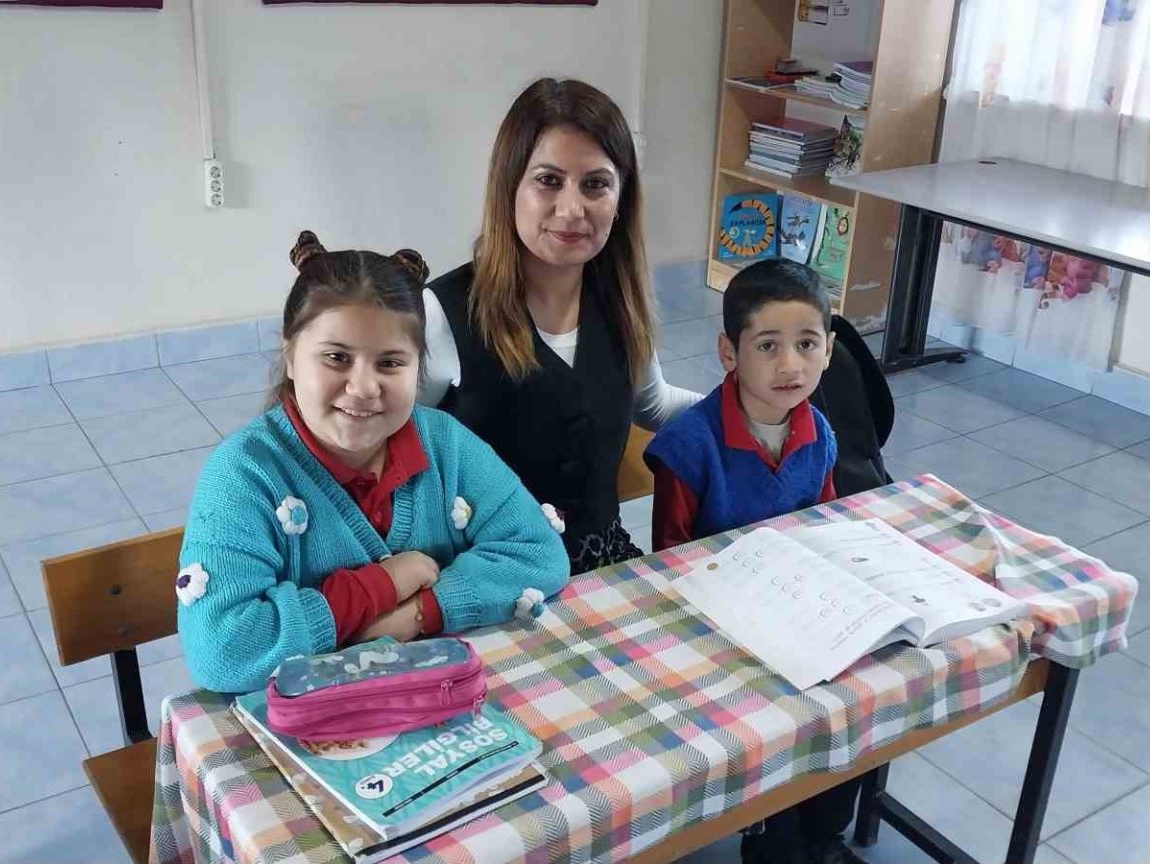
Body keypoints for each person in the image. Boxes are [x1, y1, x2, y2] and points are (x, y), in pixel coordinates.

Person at [177, 231, 570, 694]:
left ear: (418, 366)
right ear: (291, 356)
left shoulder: (445, 443)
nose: (363, 388)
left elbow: (539, 552)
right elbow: (223, 651)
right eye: (336, 357)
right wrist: (383, 583)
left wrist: (421, 612)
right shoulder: (245, 475)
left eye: (390, 363)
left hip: (443, 702)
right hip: (318, 726)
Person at [421, 77, 699, 573]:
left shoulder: (621, 302)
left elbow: (653, 404)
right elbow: (387, 448)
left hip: (603, 564)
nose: (572, 210)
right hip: (488, 576)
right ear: (509, 186)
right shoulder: (442, 312)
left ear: (621, 198)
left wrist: (752, 401)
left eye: (595, 184)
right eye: (549, 180)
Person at [642, 258, 864, 864]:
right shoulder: (690, 446)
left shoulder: (820, 432)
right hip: (715, 628)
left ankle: (825, 836)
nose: (790, 365)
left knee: (860, 701)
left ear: (829, 350)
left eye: (807, 344)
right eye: (768, 345)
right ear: (729, 352)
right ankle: (773, 839)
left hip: (797, 617)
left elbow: (824, 531)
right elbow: (672, 564)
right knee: (781, 728)